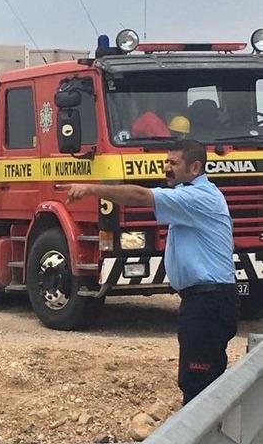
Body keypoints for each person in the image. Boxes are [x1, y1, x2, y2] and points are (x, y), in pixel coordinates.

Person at [61, 139, 237, 404]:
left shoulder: (197, 197)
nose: (167, 168)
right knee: (203, 381)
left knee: (198, 385)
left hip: (208, 303)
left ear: (195, 167)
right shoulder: (192, 195)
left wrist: (90, 189)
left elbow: (142, 196)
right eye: (166, 162)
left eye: (173, 163)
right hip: (205, 301)